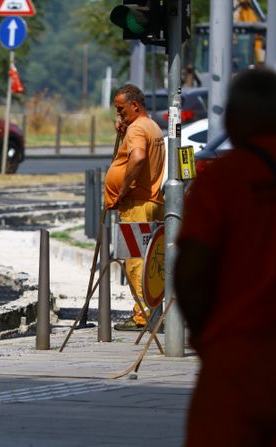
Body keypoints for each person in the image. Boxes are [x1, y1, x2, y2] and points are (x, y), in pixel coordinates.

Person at [174, 68, 276, 446]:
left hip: (239, 357)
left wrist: (205, 335)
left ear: (231, 119)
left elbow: (192, 269)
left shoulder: (223, 180)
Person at [104, 84, 165, 330]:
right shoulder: (150, 126)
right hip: (150, 202)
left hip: (138, 204)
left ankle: (143, 316)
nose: (119, 115)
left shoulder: (137, 129)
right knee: (150, 260)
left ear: (135, 105)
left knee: (136, 261)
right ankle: (152, 311)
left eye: (121, 110)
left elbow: (138, 157)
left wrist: (124, 188)